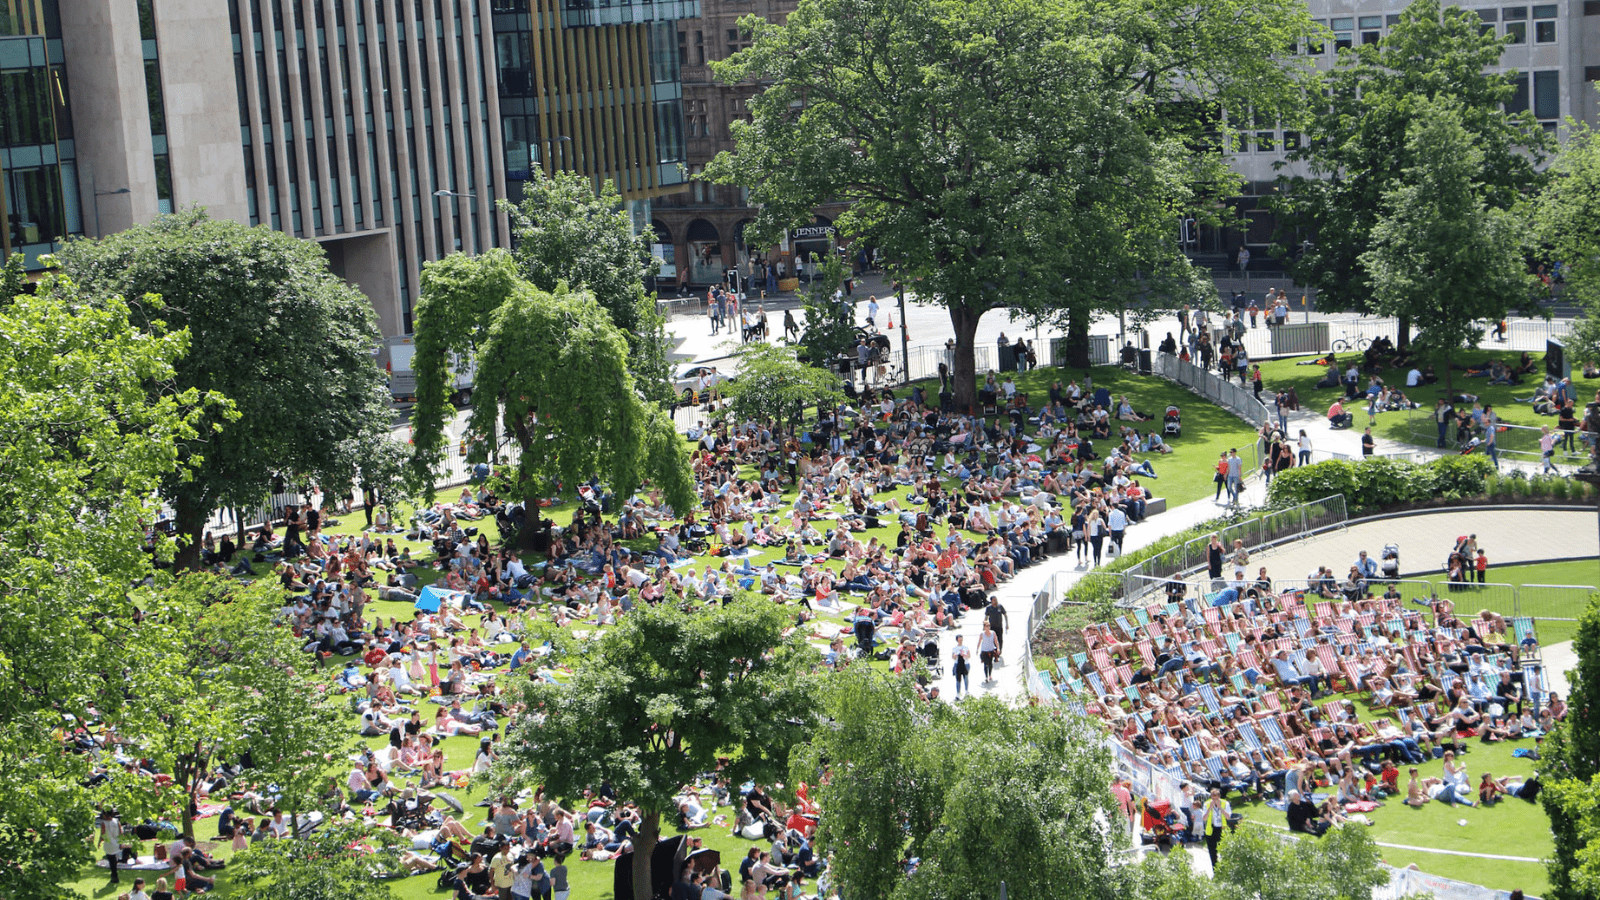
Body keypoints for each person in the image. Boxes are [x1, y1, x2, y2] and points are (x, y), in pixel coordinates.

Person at [1201, 788, 1231, 869]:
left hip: (1222, 829)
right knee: (1212, 851)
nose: (1214, 800)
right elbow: (1204, 818)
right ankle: (1215, 868)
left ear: (1219, 797)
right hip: (1211, 829)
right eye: (1213, 798)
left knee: (1224, 849)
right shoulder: (1206, 804)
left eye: (1216, 798)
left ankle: (1225, 867)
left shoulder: (1225, 803)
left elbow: (1228, 817)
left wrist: (1220, 808)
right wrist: (1210, 808)